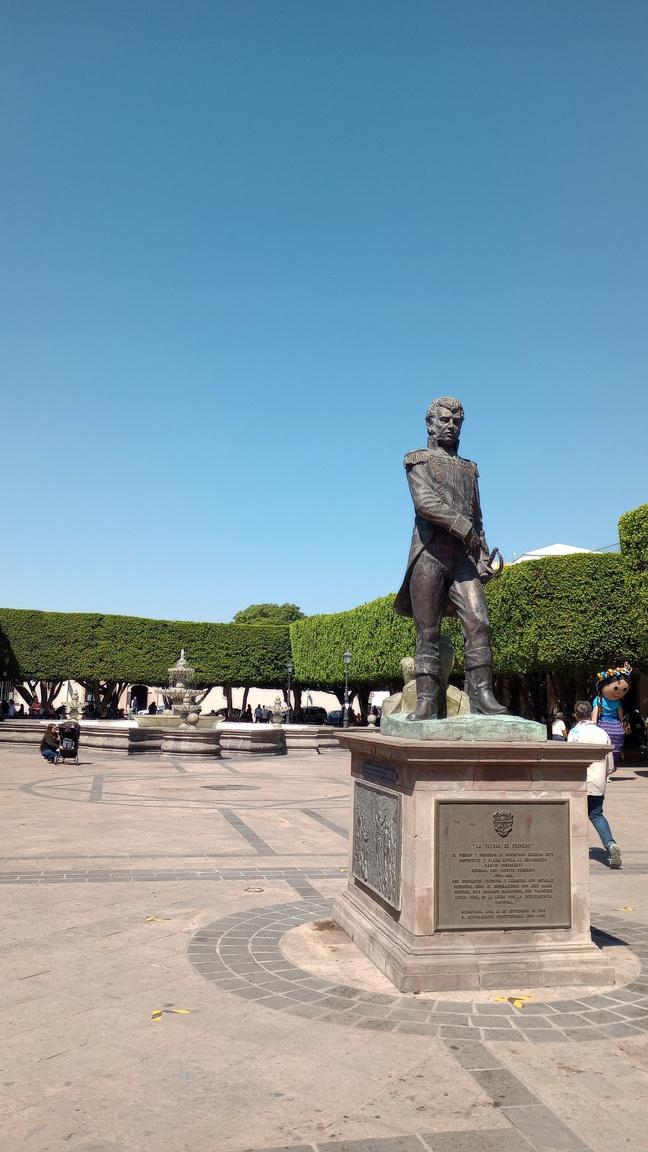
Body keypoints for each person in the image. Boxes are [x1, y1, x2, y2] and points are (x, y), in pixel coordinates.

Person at [394, 397, 506, 720]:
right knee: (427, 631)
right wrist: (465, 529)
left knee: (479, 622)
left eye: (456, 421)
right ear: (430, 424)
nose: (451, 426)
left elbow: (477, 516)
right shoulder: (417, 461)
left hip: (462, 560)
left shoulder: (470, 469)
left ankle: (482, 695)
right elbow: (425, 504)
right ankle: (426, 701)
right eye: (444, 420)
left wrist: (482, 554)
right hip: (429, 555)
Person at [568, 699, 621, 868]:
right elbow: (610, 762)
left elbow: (570, 758)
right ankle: (610, 844)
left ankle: (571, 847)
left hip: (579, 780)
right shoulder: (602, 733)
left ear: (576, 715)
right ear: (591, 714)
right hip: (597, 781)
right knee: (596, 814)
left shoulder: (574, 732)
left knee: (572, 813)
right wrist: (604, 775)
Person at [592, 662, 632, 770]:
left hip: (605, 726)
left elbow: (595, 717)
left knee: (606, 748)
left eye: (623, 690)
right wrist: (622, 725)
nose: (619, 693)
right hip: (614, 727)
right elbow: (620, 716)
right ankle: (611, 765)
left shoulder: (601, 700)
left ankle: (608, 766)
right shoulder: (609, 701)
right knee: (611, 748)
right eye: (616, 688)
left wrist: (593, 726)